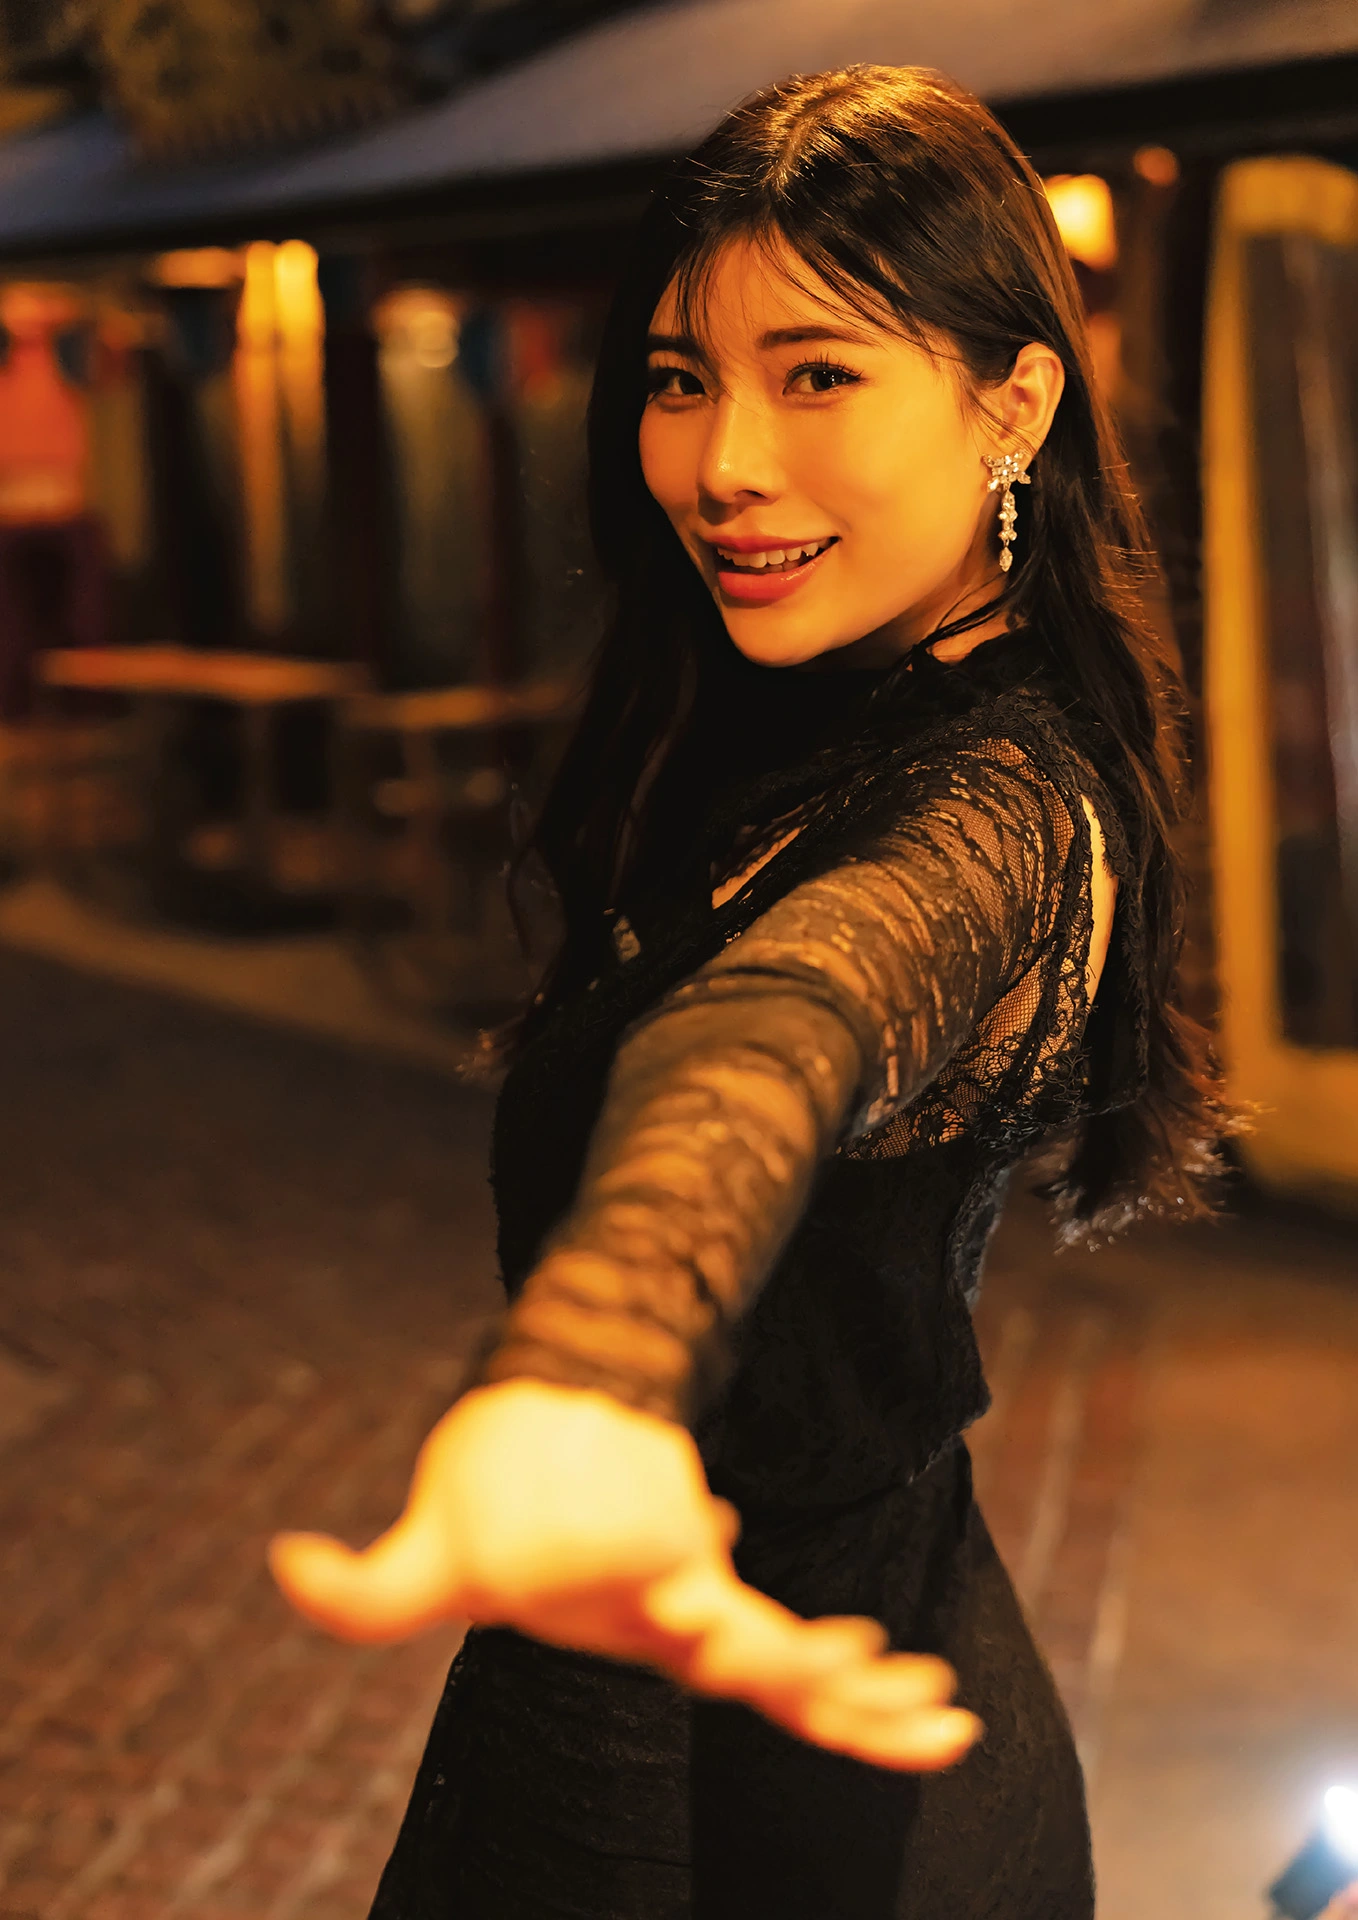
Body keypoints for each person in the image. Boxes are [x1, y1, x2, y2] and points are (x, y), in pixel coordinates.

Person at [271, 65, 1228, 1920]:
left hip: (795, 1804)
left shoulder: (1003, 808)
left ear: (1013, 400)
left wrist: (589, 1365)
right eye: (678, 378)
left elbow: (779, 1030)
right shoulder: (816, 706)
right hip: (692, 1694)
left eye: (817, 374)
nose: (722, 464)